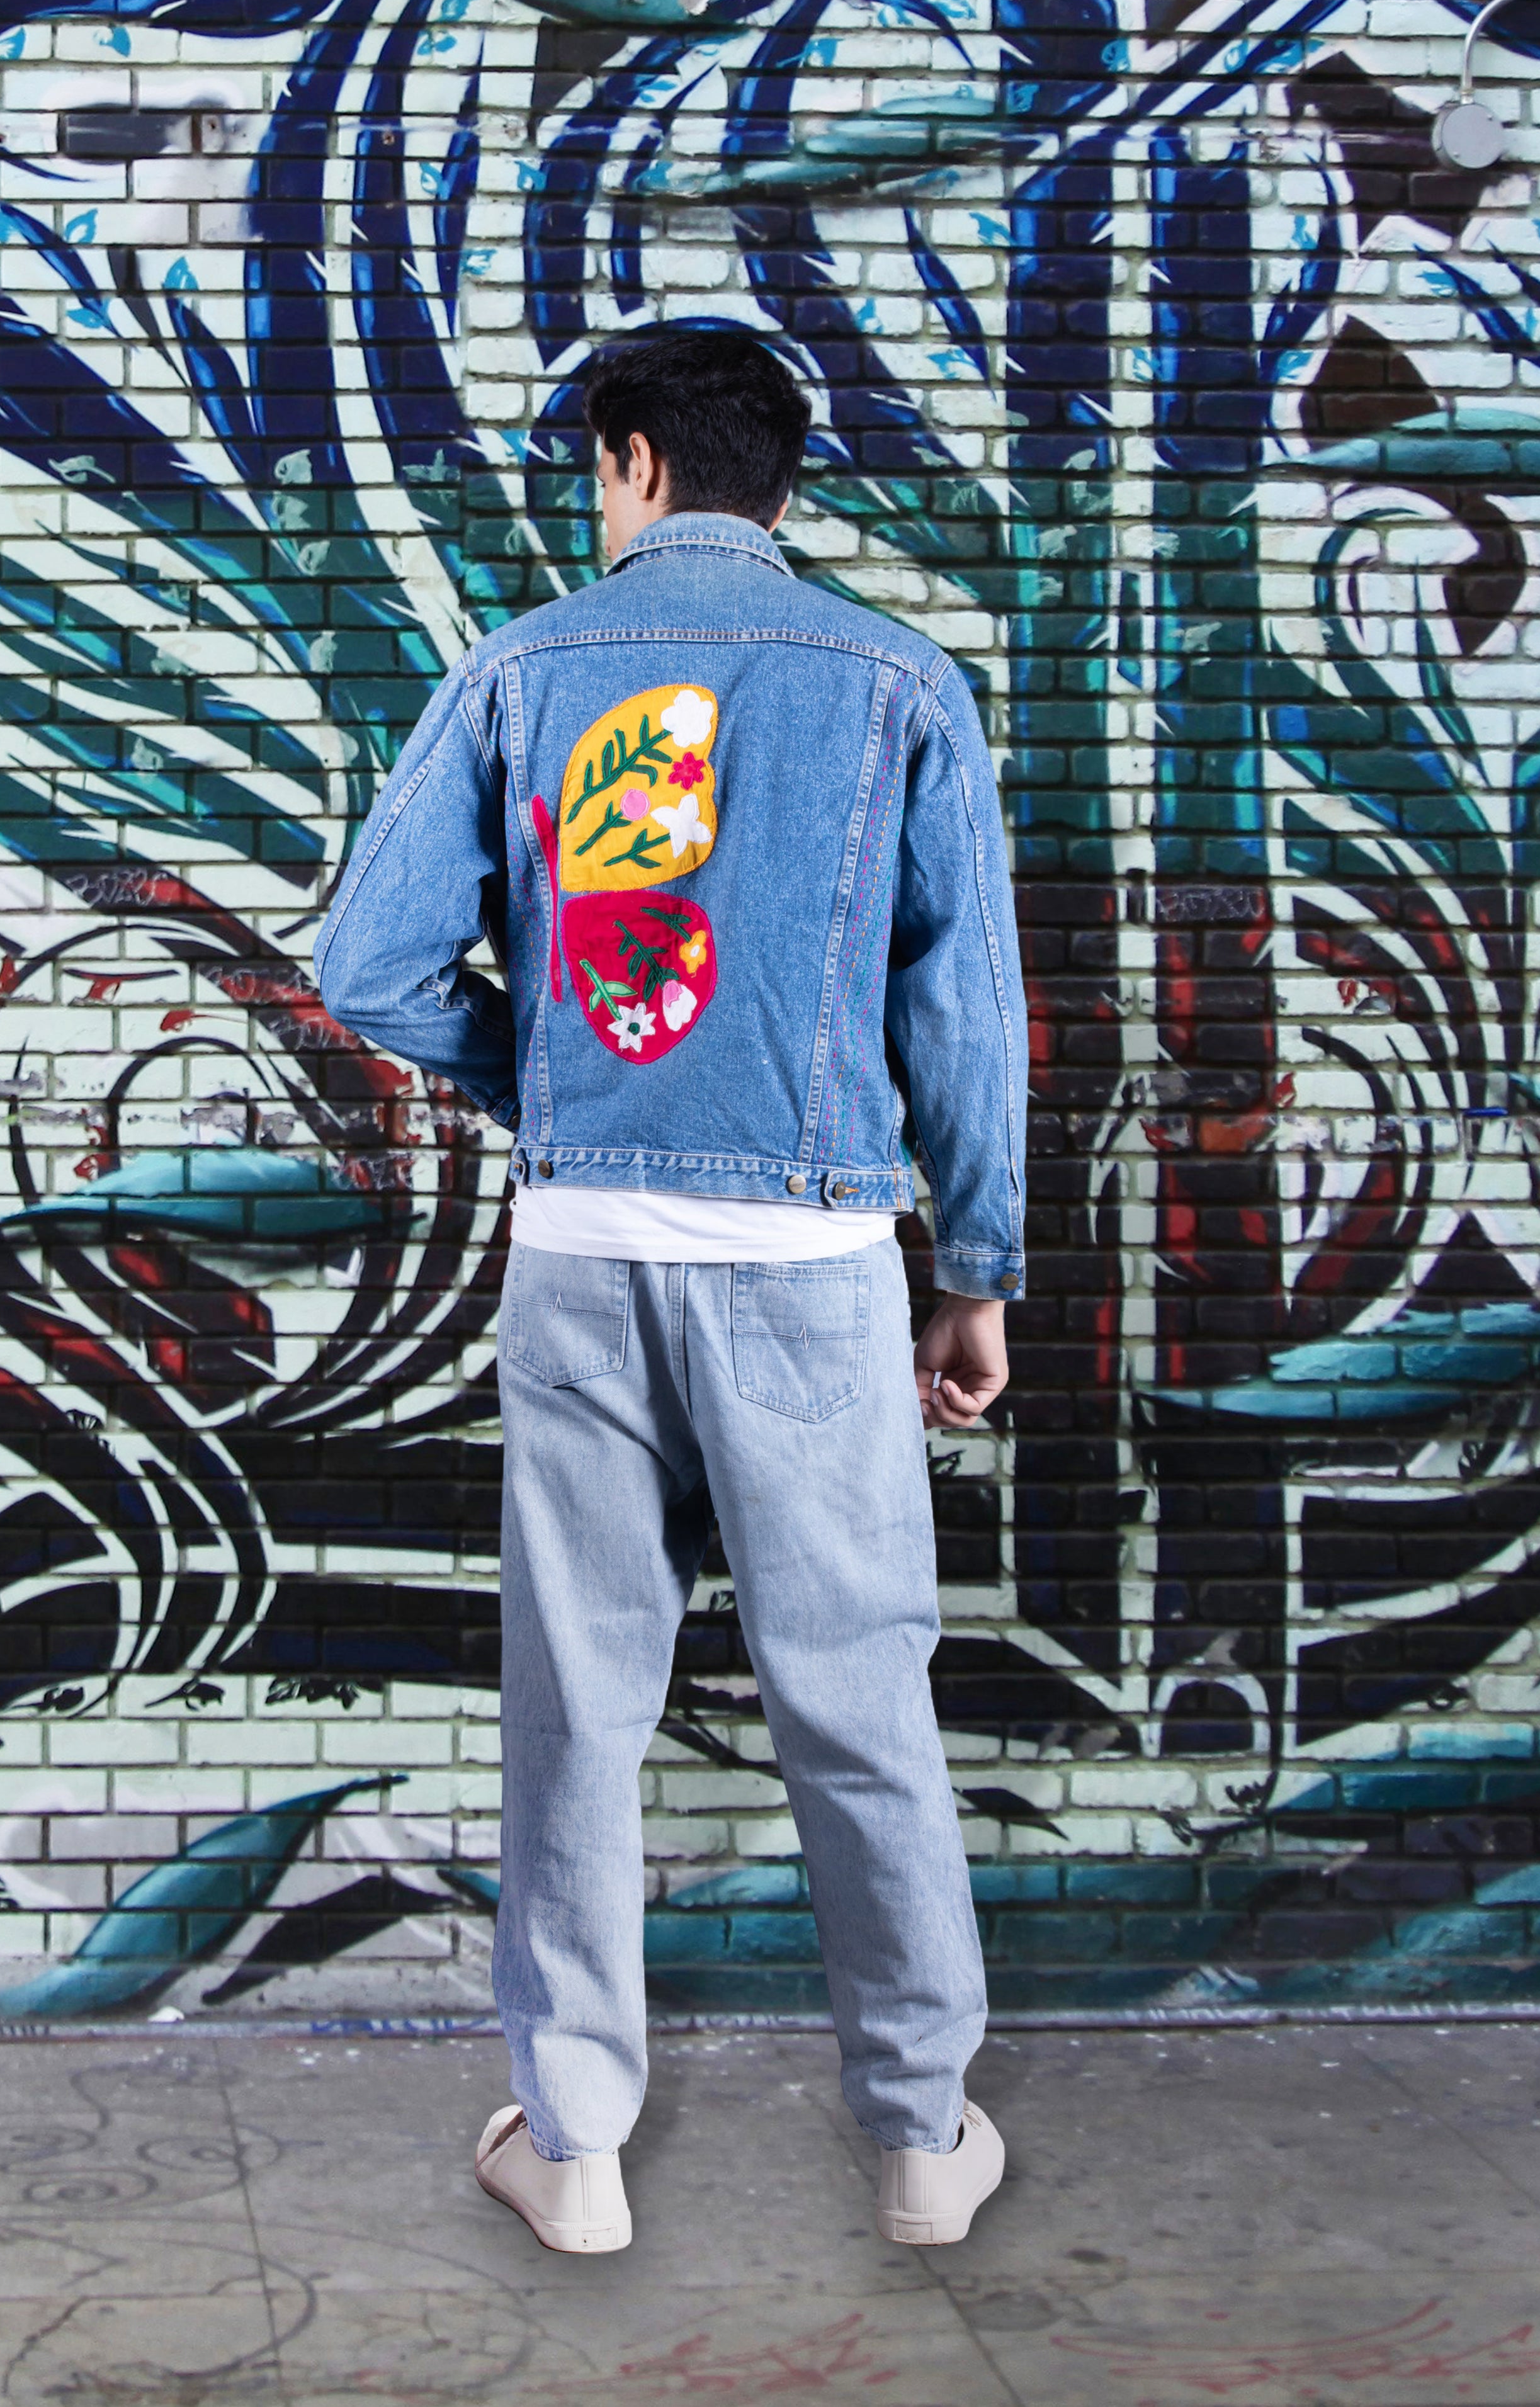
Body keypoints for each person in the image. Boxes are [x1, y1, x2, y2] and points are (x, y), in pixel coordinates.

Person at [315, 324, 1024, 2257]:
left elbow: (368, 965)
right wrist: (974, 1269)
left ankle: (574, 2148)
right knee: (857, 1700)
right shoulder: (898, 681)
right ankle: (919, 2137)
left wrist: (545, 1082)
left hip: (582, 1258)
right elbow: (961, 1015)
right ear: (777, 479)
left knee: (578, 1712)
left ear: (629, 461)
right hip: (814, 1262)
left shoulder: (519, 669)